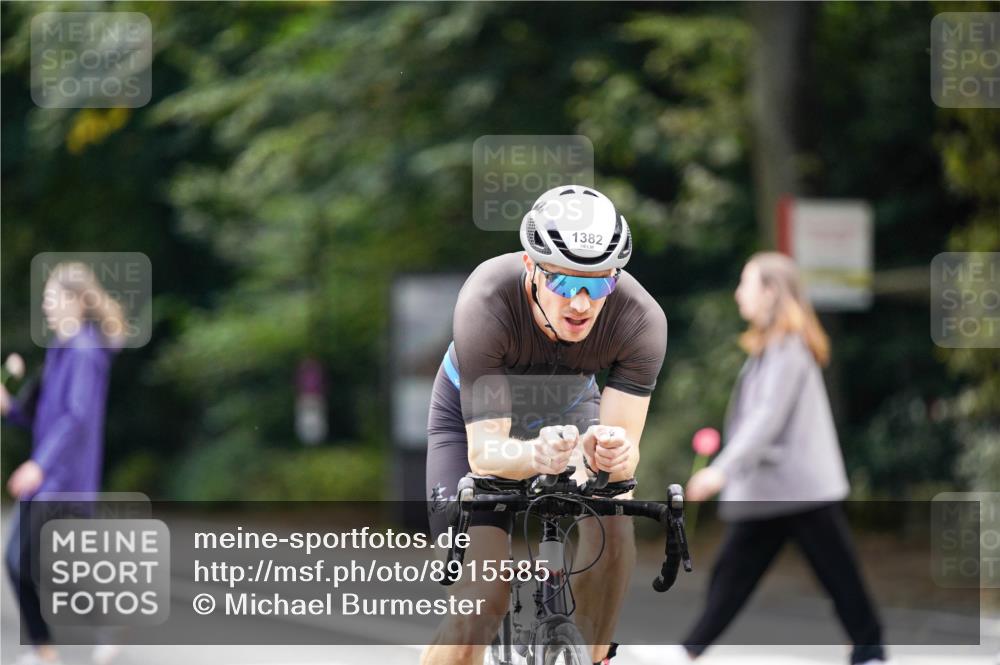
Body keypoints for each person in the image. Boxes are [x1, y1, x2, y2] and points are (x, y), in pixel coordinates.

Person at [421, 186, 668, 665]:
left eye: (598, 284)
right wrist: (536, 456)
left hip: (570, 411)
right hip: (473, 426)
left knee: (614, 530)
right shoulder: (487, 299)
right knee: (481, 606)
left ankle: (591, 656)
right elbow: (485, 454)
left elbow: (626, 458)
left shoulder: (640, 320)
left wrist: (611, 453)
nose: (580, 303)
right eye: (564, 283)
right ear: (531, 268)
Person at [676, 252, 889, 665]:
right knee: (738, 573)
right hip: (778, 490)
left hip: (799, 489)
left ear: (771, 292)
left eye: (746, 284)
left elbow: (765, 420)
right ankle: (692, 647)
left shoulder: (788, 349)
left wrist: (719, 472)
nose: (739, 294)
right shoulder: (773, 347)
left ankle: (870, 648)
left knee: (833, 575)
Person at [1, 262, 125, 665]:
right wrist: (8, 410)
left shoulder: (85, 352)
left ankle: (75, 640)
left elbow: (77, 415)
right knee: (32, 563)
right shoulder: (59, 351)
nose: (46, 306)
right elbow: (42, 418)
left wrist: (39, 464)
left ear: (75, 300)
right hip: (48, 477)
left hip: (65, 478)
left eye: (51, 297)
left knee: (38, 563)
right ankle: (49, 650)